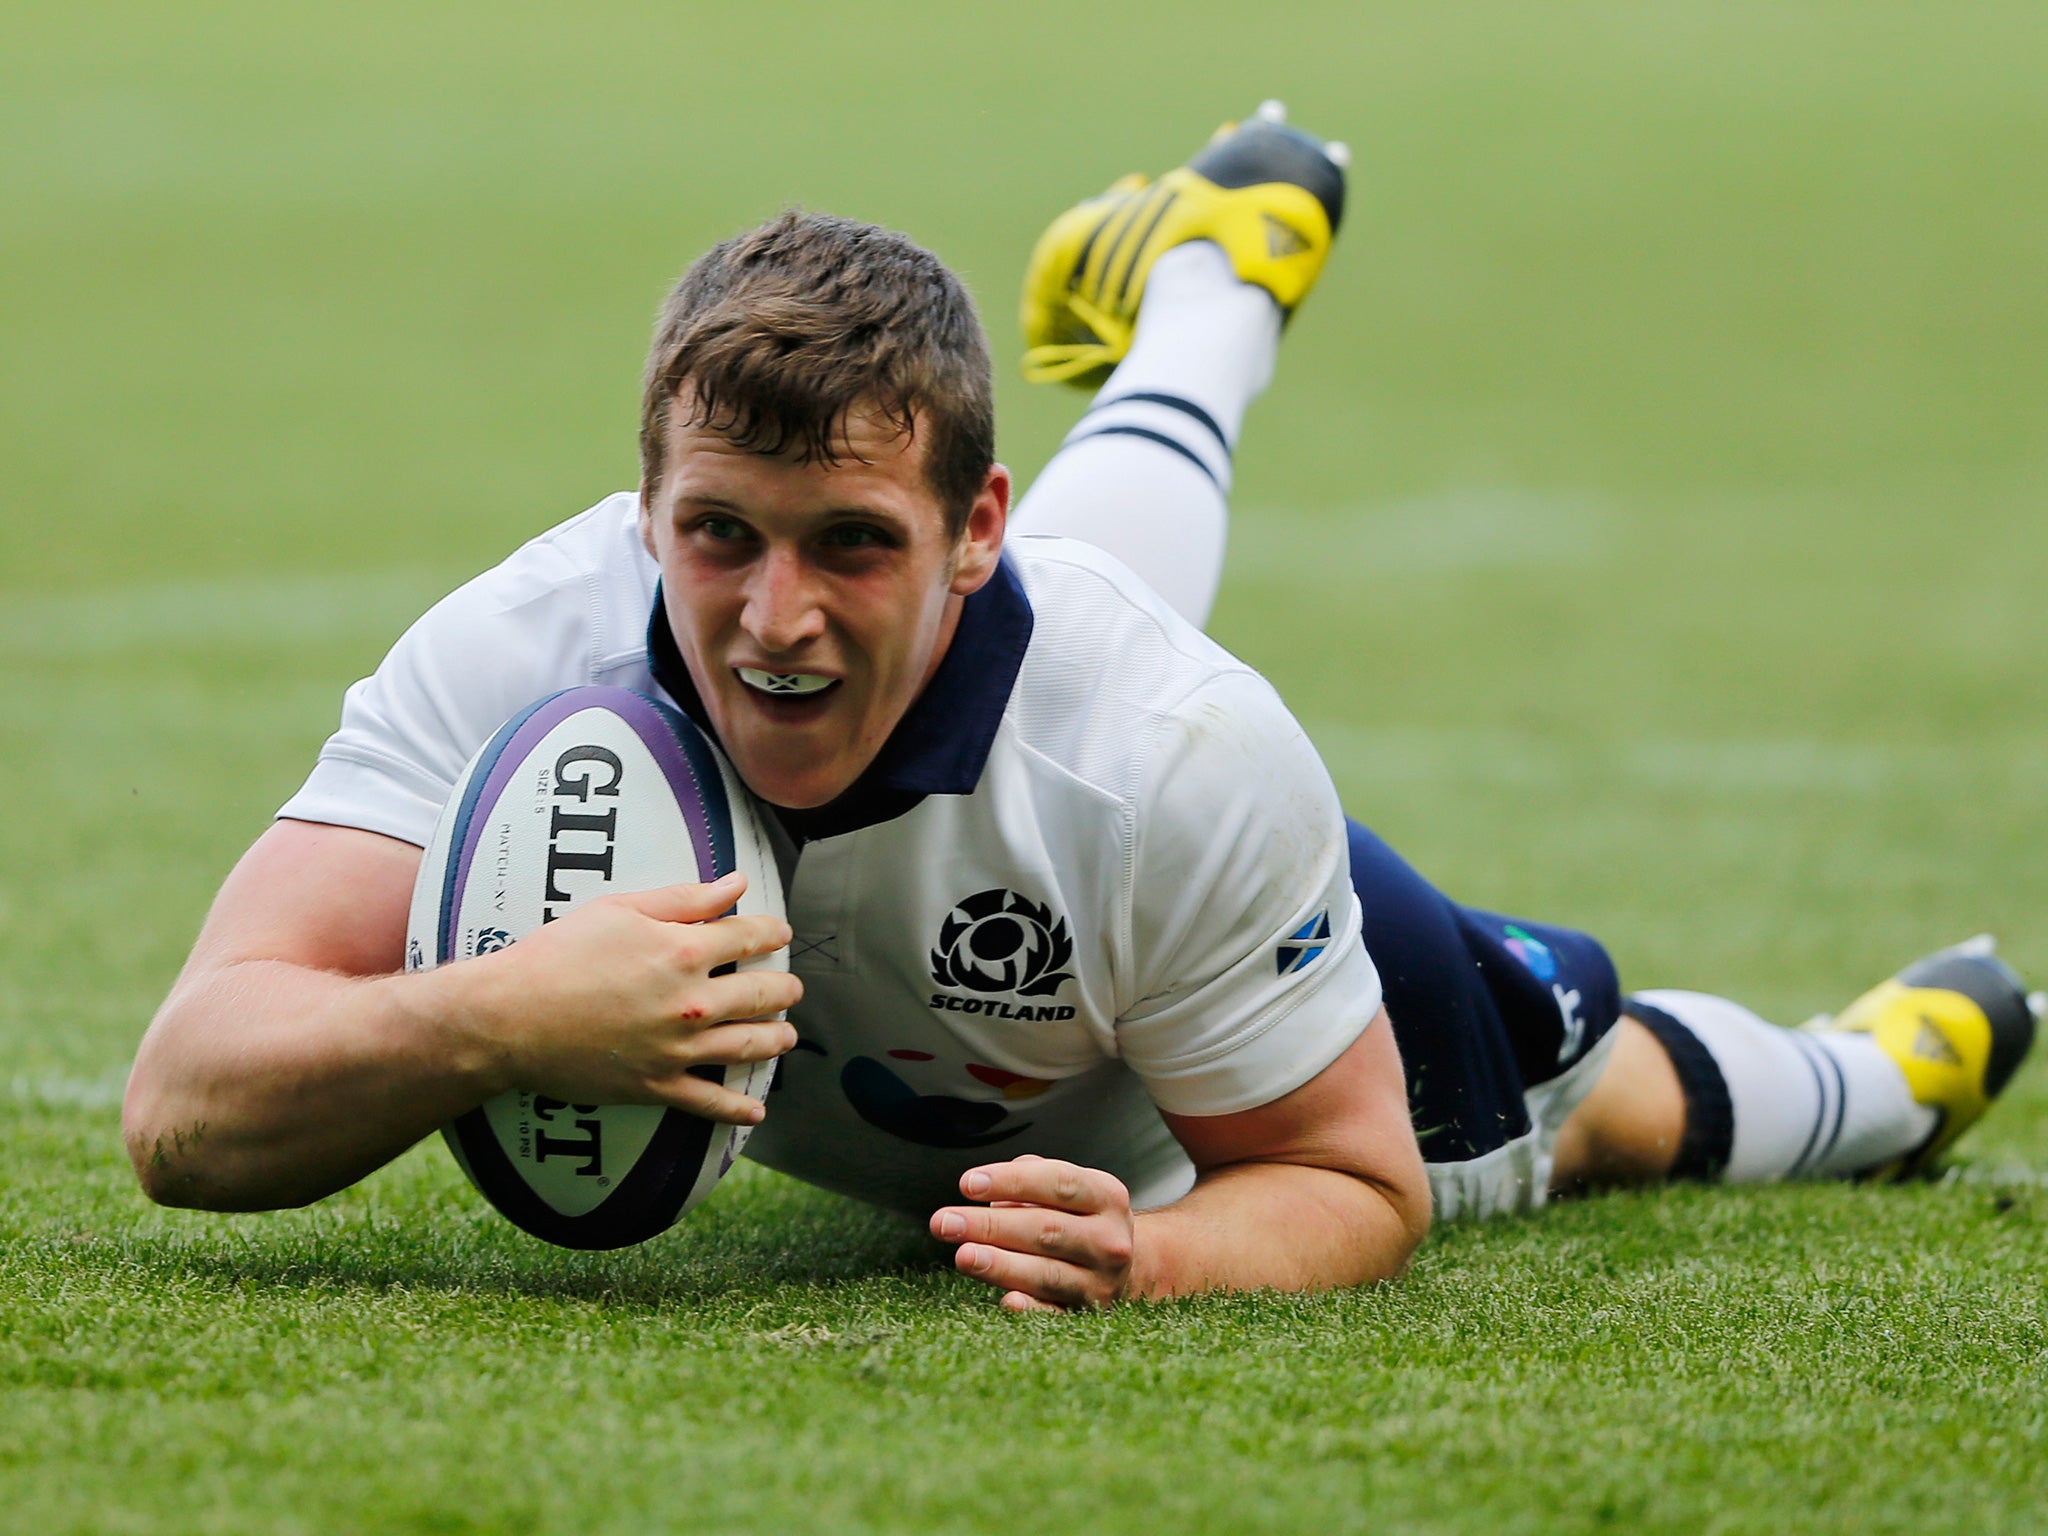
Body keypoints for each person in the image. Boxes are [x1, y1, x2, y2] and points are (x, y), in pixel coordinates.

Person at [125, 105, 2039, 1312]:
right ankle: (1216, 273)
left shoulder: (1168, 759)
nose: (770, 618)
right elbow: (184, 1106)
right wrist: (485, 1017)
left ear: (974, 532)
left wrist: (1165, 1250)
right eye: (715, 534)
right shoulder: (523, 652)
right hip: (1021, 830)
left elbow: (1350, 1184)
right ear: (642, 508)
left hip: (1169, 1067)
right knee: (1019, 660)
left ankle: (1879, 1071)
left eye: (847, 545)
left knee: (1592, 1099)